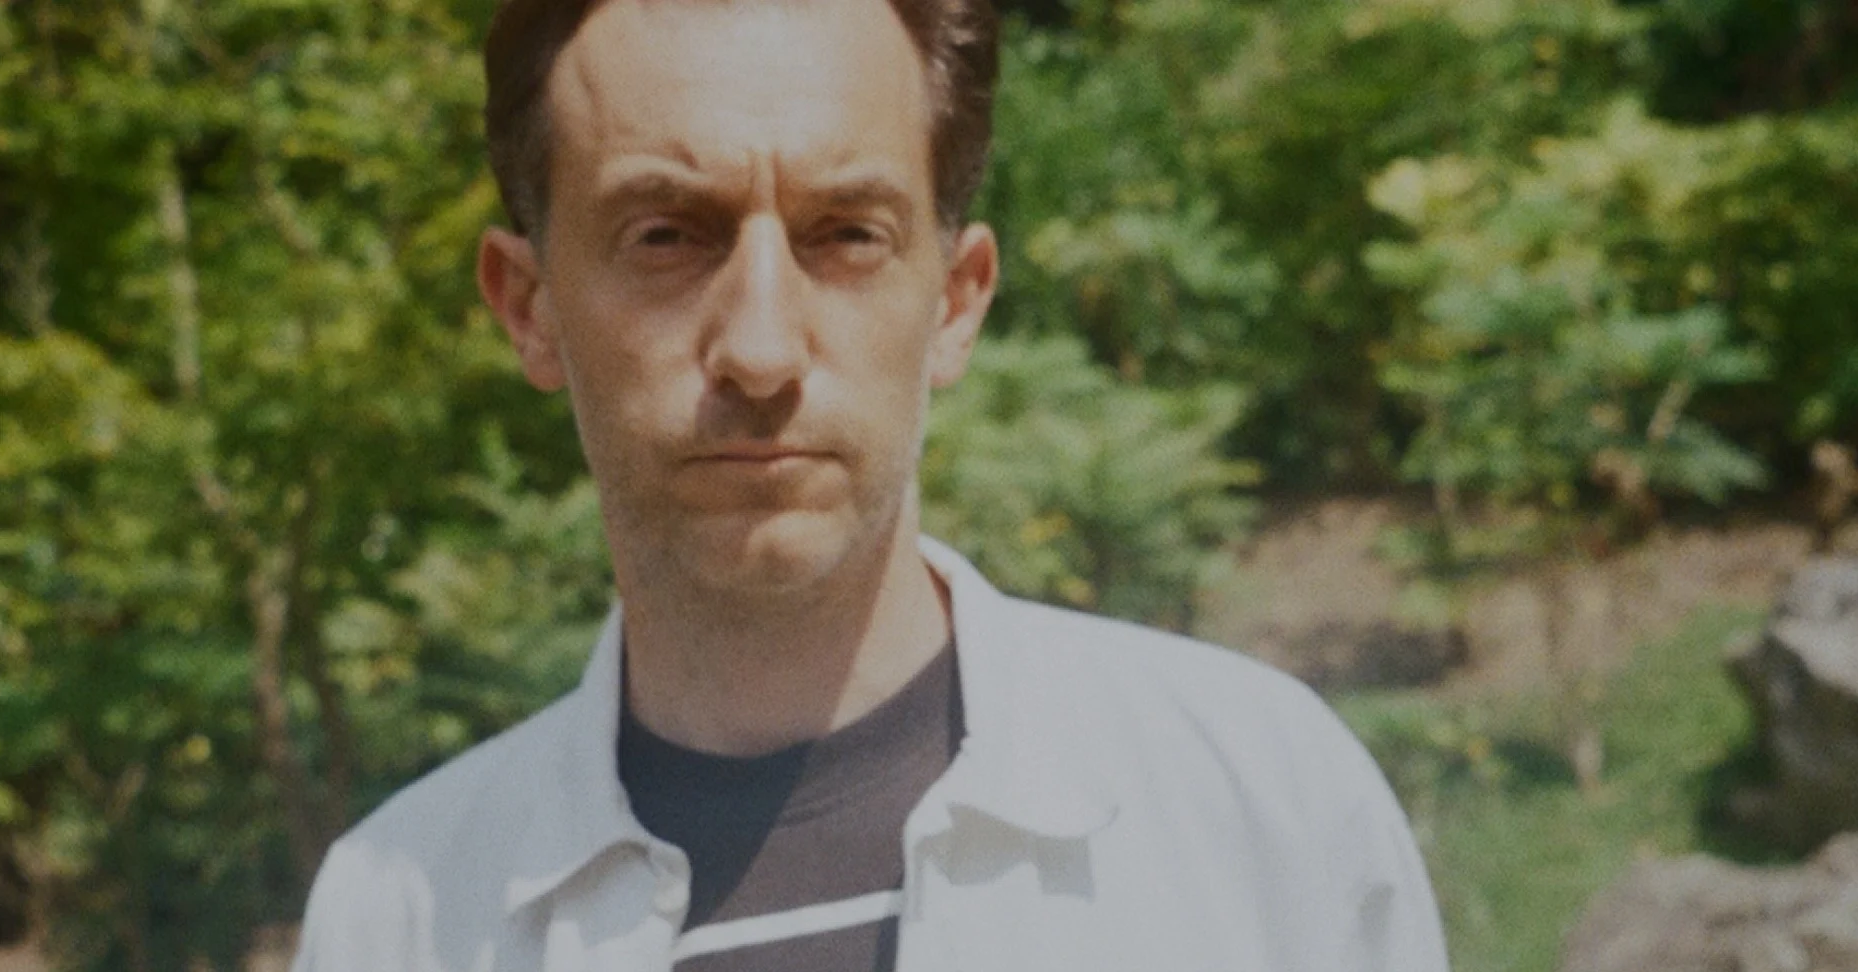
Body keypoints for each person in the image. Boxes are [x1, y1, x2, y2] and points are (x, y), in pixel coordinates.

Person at [290, 0, 1452, 968]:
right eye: (665, 236)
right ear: (528, 307)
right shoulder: (397, 919)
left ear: (954, 301)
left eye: (845, 234)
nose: (759, 349)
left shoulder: (1263, 812)